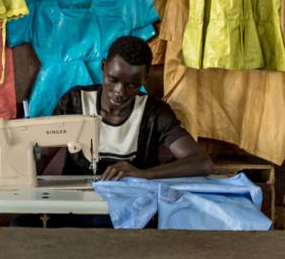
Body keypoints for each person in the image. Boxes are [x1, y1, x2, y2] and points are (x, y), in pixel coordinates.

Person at [51, 35, 213, 180]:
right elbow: (41, 153)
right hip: (76, 205)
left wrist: (145, 174)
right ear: (103, 67)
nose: (119, 91)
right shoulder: (74, 102)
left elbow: (202, 163)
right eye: (113, 79)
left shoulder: (154, 114)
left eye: (132, 85)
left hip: (134, 206)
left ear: (145, 78)